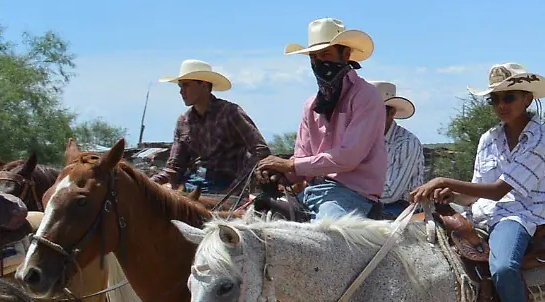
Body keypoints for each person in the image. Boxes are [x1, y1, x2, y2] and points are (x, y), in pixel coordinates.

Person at [410, 63, 545, 302]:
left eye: (508, 97)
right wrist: (449, 196)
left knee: (504, 267)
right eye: (494, 99)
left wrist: (445, 180)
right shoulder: (489, 139)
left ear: (526, 98)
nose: (501, 104)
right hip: (481, 213)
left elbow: (498, 191)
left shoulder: (540, 140)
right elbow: (475, 195)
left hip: (519, 215)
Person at [256, 18, 388, 220]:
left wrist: (289, 166)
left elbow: (348, 158)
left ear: (346, 54)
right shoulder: (311, 106)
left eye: (325, 54)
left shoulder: (365, 97)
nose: (319, 63)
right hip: (312, 192)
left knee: (325, 233)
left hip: (353, 194)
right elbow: (301, 158)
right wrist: (276, 173)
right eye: (313, 57)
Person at [154, 59, 270, 195]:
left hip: (224, 185)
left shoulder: (230, 113)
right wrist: (147, 182)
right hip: (190, 185)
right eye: (180, 86)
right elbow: (175, 167)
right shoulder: (183, 122)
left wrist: (235, 189)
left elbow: (260, 151)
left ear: (203, 84)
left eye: (186, 85)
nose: (181, 91)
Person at [375, 82, 425, 218]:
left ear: (391, 112)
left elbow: (392, 193)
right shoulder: (363, 138)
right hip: (371, 201)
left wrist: (354, 191)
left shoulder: (407, 143)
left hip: (402, 206)